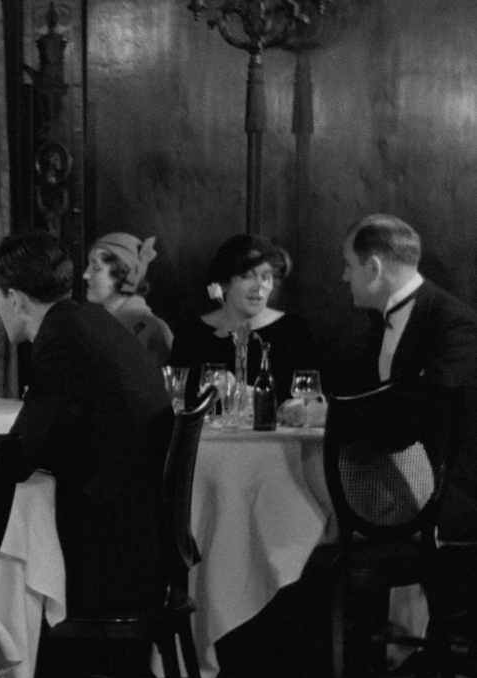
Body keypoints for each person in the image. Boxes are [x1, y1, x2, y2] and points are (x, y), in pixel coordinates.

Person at [0, 231, 173, 618]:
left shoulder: (62, 341)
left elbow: (19, 458)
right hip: (142, 541)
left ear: (15, 299)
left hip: (110, 560)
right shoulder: (88, 320)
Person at [341, 213, 477, 539]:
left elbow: (419, 416)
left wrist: (338, 416)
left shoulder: (454, 323)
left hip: (446, 496)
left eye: (349, 265)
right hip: (390, 480)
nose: (344, 276)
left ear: (373, 268)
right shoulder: (382, 317)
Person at [170, 233, 318, 406]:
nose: (259, 286)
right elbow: (178, 404)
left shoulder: (294, 330)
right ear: (225, 282)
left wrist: (252, 396)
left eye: (266, 277)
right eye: (247, 276)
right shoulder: (191, 333)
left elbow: (311, 403)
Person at [83, 232, 173, 366]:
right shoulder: (97, 321)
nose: (85, 275)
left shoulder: (151, 328)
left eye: (96, 268)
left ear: (122, 273)